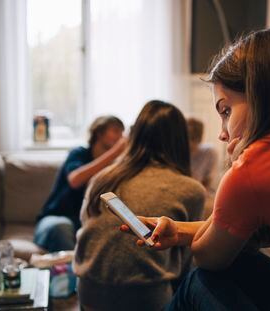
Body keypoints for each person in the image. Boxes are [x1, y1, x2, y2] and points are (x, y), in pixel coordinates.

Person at [122, 28, 270, 310]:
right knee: (242, 258)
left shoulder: (258, 164)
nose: (223, 133)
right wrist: (177, 231)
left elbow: (208, 257)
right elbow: (257, 233)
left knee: (197, 282)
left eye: (225, 111)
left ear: (261, 96)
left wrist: (238, 167)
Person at [73, 100, 205, 311]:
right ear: (180, 140)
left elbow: (84, 228)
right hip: (144, 297)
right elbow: (186, 264)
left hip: (89, 291)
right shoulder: (191, 189)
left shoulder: (102, 177)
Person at [34, 116, 125, 252]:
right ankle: (72, 272)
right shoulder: (78, 153)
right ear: (99, 132)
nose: (121, 137)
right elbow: (75, 180)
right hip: (55, 219)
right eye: (116, 130)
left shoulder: (115, 165)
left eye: (122, 132)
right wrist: (115, 152)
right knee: (62, 227)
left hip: (84, 224)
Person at [186, 117, 219, 194]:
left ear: (199, 138)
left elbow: (208, 182)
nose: (189, 143)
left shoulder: (209, 152)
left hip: (200, 192)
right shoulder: (177, 153)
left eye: (192, 138)